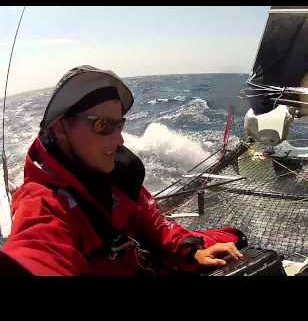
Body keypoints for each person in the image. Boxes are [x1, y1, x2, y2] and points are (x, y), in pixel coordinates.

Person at [0, 65, 246, 276]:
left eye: (119, 124)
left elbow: (154, 225)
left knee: (235, 240)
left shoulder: (116, 175)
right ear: (62, 128)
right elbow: (35, 252)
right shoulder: (42, 202)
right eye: (102, 125)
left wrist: (192, 251)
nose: (120, 140)